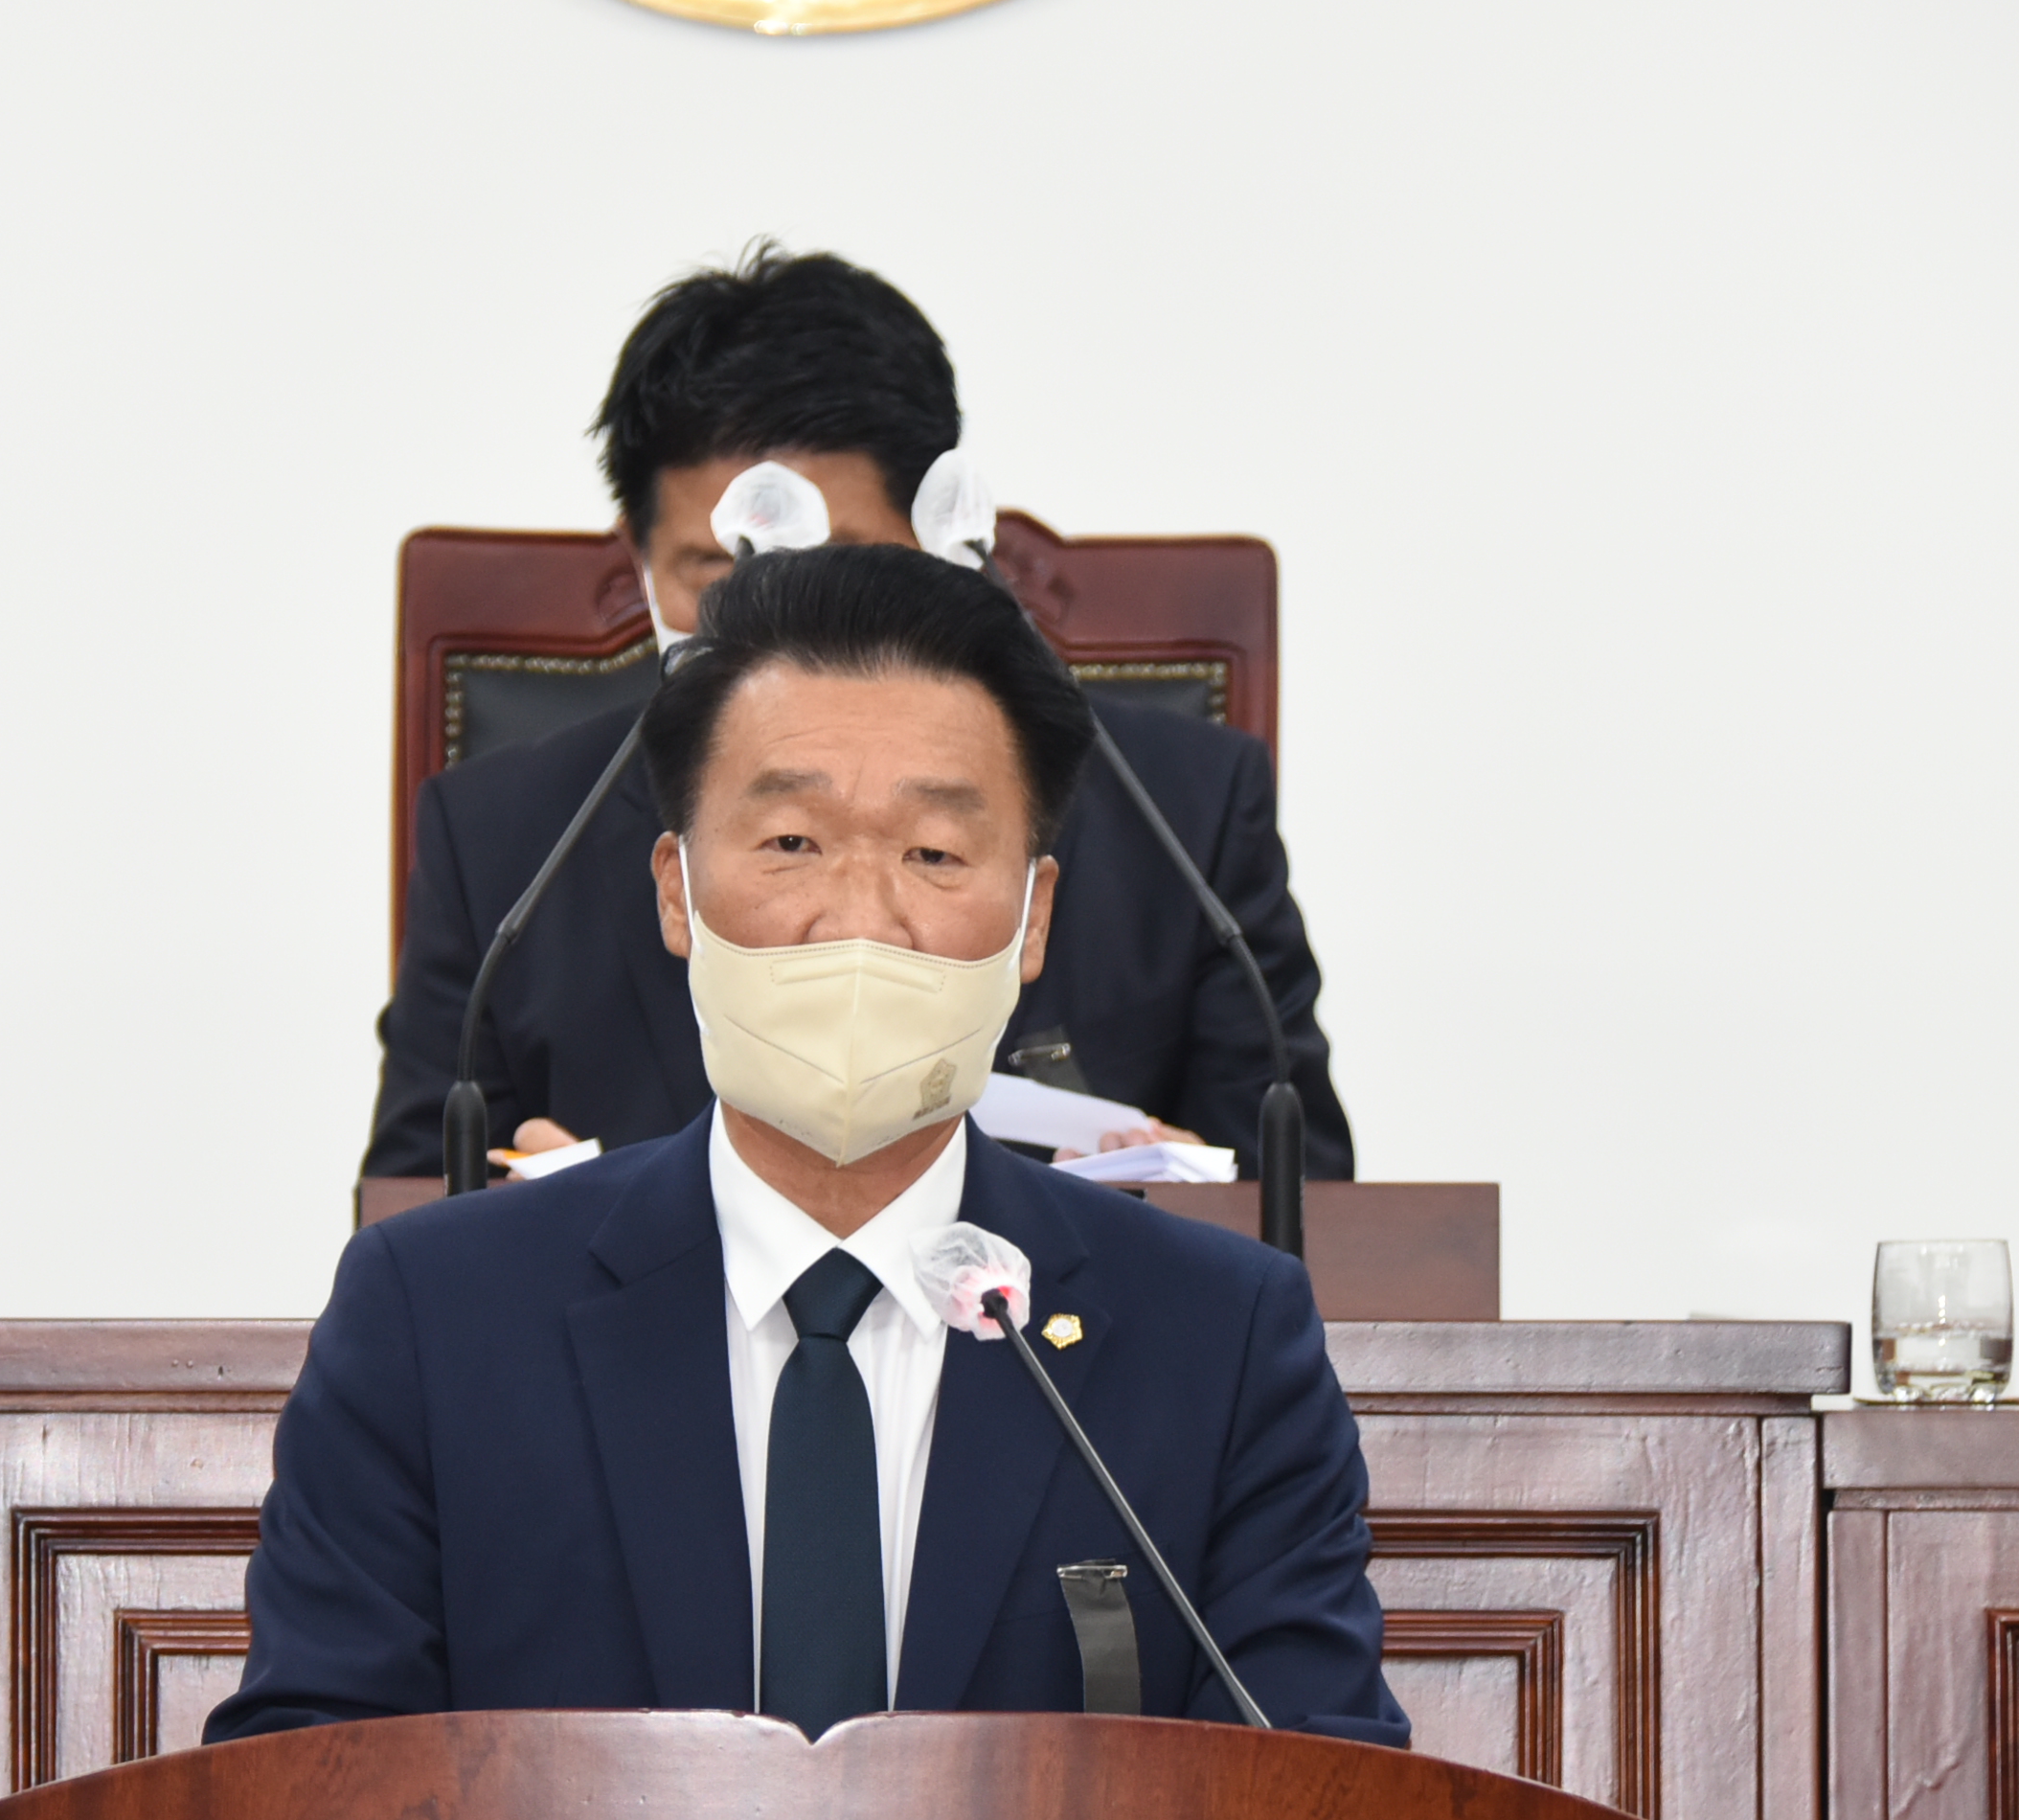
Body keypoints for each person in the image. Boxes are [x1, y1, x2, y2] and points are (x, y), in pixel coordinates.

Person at [216, 545, 1406, 1746]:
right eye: (792, 843)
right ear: (676, 891)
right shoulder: (437, 1317)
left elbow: (1323, 1803)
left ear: (1034, 917)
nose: (861, 920)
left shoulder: (1217, 1340)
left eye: (934, 854)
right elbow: (304, 1792)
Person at [361, 244, 1354, 1181]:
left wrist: (1186, 1211)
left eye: (839, 563)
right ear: (641, 558)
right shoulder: (503, 841)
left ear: (940, 536)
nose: (782, 618)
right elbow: (409, 1212)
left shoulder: (1184, 812)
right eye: (724, 571)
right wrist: (519, 1226)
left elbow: (1309, 1210)